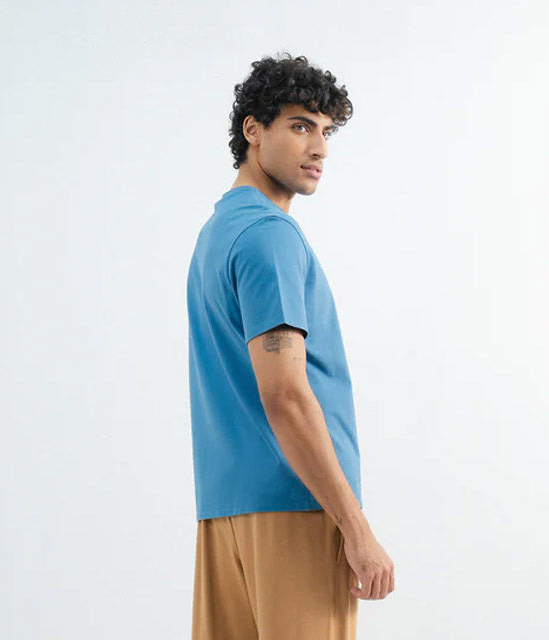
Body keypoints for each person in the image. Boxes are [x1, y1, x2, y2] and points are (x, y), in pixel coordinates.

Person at [186, 52, 394, 640]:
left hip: (224, 513)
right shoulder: (269, 237)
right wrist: (355, 526)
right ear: (253, 129)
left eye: (326, 132)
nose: (319, 148)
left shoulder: (217, 234)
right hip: (296, 508)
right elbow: (286, 395)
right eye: (301, 126)